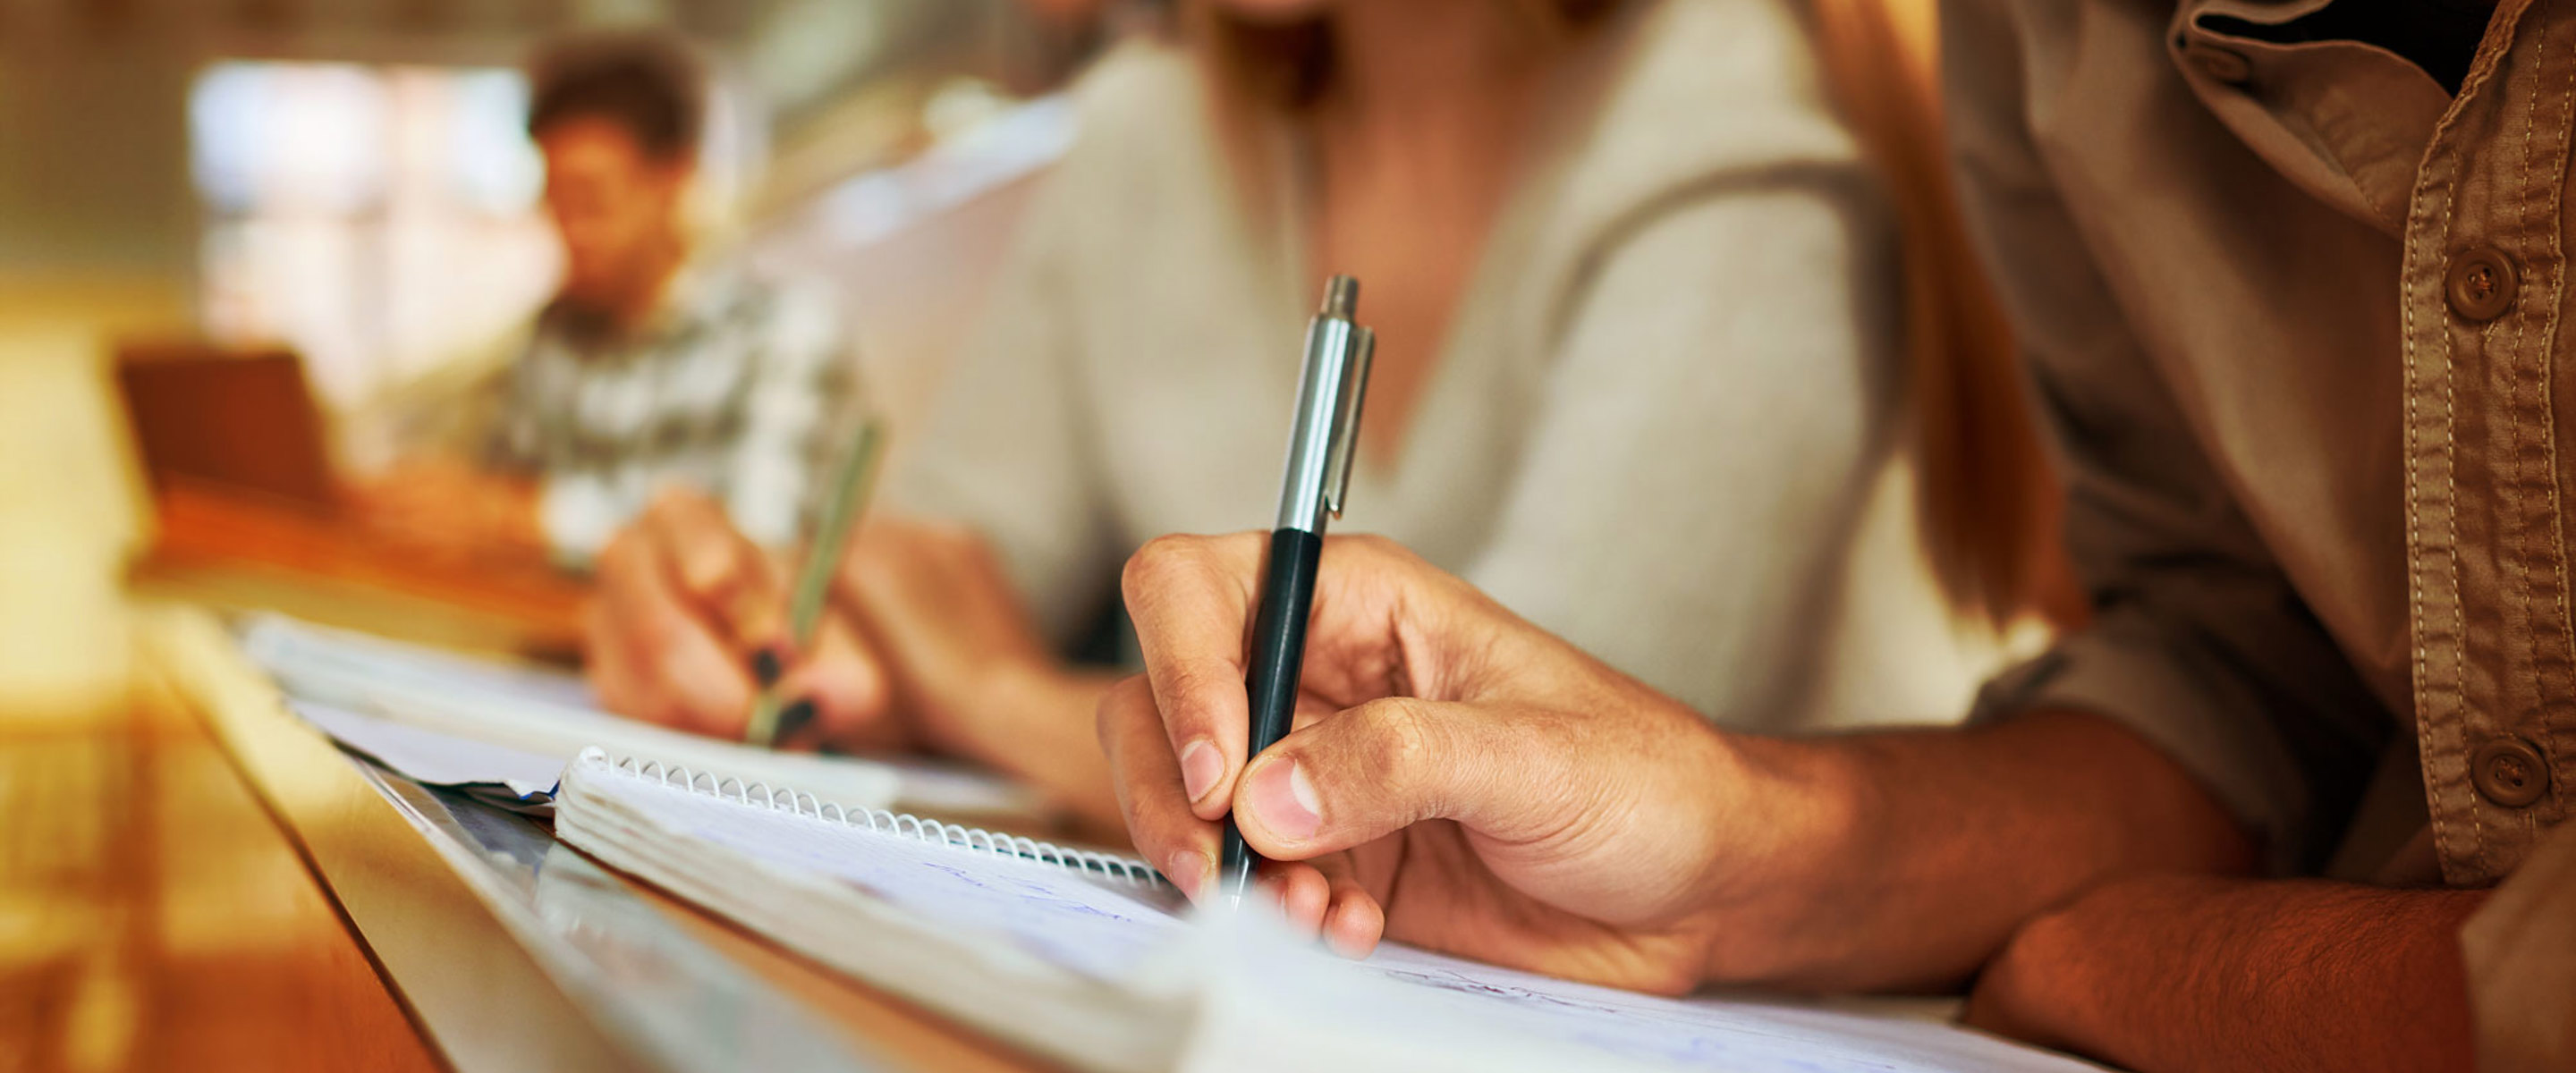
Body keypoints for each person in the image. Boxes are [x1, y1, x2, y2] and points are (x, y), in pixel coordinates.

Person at [1097, 0, 2576, 1069]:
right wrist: (1749, 848)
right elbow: (2250, 674)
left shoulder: (1733, 106)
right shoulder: (2052, 38)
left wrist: (2196, 971)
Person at [582, 0, 2055, 824]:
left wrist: (985, 694)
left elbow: (1501, 799)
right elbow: (946, 562)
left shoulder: (1749, 109)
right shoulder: (1147, 132)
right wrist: (784, 629)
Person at [348, 31, 860, 567]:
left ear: (675, 177)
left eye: (592, 200)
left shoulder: (788, 330)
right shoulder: (555, 334)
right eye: (555, 203)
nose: (572, 233)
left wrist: (518, 517)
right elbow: (494, 489)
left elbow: (759, 538)